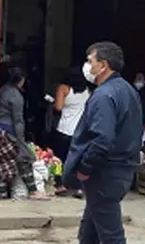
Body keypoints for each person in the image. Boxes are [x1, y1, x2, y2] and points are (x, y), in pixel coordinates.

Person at [64, 42, 144, 244]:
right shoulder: (127, 90)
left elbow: (102, 138)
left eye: (91, 61)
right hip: (122, 169)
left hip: (106, 173)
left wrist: (85, 167)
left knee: (111, 235)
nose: (87, 66)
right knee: (89, 232)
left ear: (103, 65)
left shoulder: (103, 95)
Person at [0, 67, 49, 200]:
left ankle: (2, 196)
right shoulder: (16, 96)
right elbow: (18, 120)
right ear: (21, 80)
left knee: (2, 165)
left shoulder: (2, 90)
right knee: (24, 159)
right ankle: (33, 191)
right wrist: (21, 141)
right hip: (9, 133)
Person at [52, 67, 90, 197]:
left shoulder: (63, 88)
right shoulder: (87, 90)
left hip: (64, 129)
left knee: (59, 158)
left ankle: (59, 185)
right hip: (80, 130)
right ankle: (80, 188)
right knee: (79, 159)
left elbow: (58, 107)